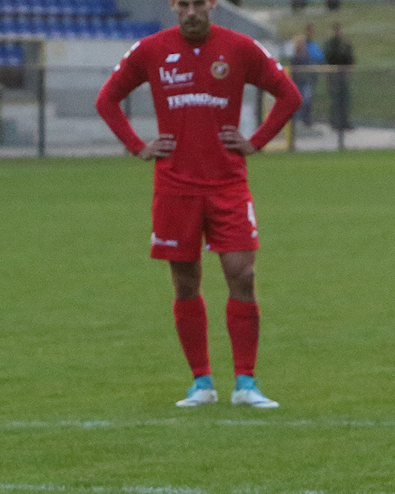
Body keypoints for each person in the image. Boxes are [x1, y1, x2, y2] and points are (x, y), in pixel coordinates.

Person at [95, 0, 302, 408]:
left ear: (212, 5)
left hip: (228, 184)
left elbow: (289, 95)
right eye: (184, 3)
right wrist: (138, 146)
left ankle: (246, 383)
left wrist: (257, 141)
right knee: (186, 282)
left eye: (199, 3)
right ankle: (201, 382)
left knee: (243, 276)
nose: (192, 11)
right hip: (175, 187)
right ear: (174, 6)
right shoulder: (151, 50)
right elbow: (107, 100)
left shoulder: (240, 47)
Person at [291, 24, 326, 127]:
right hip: (298, 82)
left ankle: (306, 120)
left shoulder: (308, 53)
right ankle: (297, 121)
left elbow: (316, 62)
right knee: (299, 100)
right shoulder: (296, 56)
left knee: (306, 100)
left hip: (306, 81)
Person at [323, 22, 354, 130]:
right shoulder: (329, 44)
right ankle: (335, 122)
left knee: (345, 100)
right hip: (334, 75)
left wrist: (348, 70)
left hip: (343, 75)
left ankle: (345, 122)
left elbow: (350, 58)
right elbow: (328, 57)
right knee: (335, 100)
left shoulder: (345, 44)